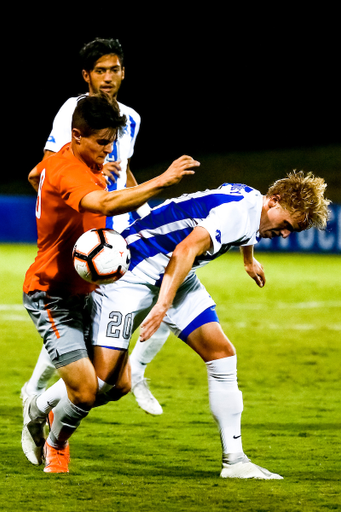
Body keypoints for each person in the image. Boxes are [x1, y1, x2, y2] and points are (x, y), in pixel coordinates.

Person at [24, 170, 330, 477]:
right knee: (104, 383)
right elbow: (185, 249)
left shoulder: (252, 200)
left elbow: (239, 225)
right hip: (132, 275)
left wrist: (248, 259)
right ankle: (46, 420)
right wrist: (162, 305)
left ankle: (234, 461)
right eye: (288, 225)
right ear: (274, 201)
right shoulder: (238, 212)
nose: (286, 233)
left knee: (221, 354)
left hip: (175, 276)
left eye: (294, 230)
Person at [21, 92, 199, 473]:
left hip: (89, 291)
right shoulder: (70, 169)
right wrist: (163, 180)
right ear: (77, 136)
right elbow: (101, 205)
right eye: (101, 142)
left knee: (119, 385)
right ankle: (48, 432)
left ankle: (45, 411)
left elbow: (36, 174)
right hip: (51, 294)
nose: (108, 148)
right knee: (85, 390)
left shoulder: (71, 164)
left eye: (111, 141)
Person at [22, 37, 168, 416]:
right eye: (100, 70)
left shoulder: (130, 117)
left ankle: (129, 371)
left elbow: (126, 169)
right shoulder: (74, 111)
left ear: (124, 72)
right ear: (86, 75)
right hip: (89, 232)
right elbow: (50, 166)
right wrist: (68, 214)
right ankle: (41, 390)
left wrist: (146, 208)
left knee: (147, 300)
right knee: (74, 305)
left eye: (114, 69)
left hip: (117, 229)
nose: (108, 77)